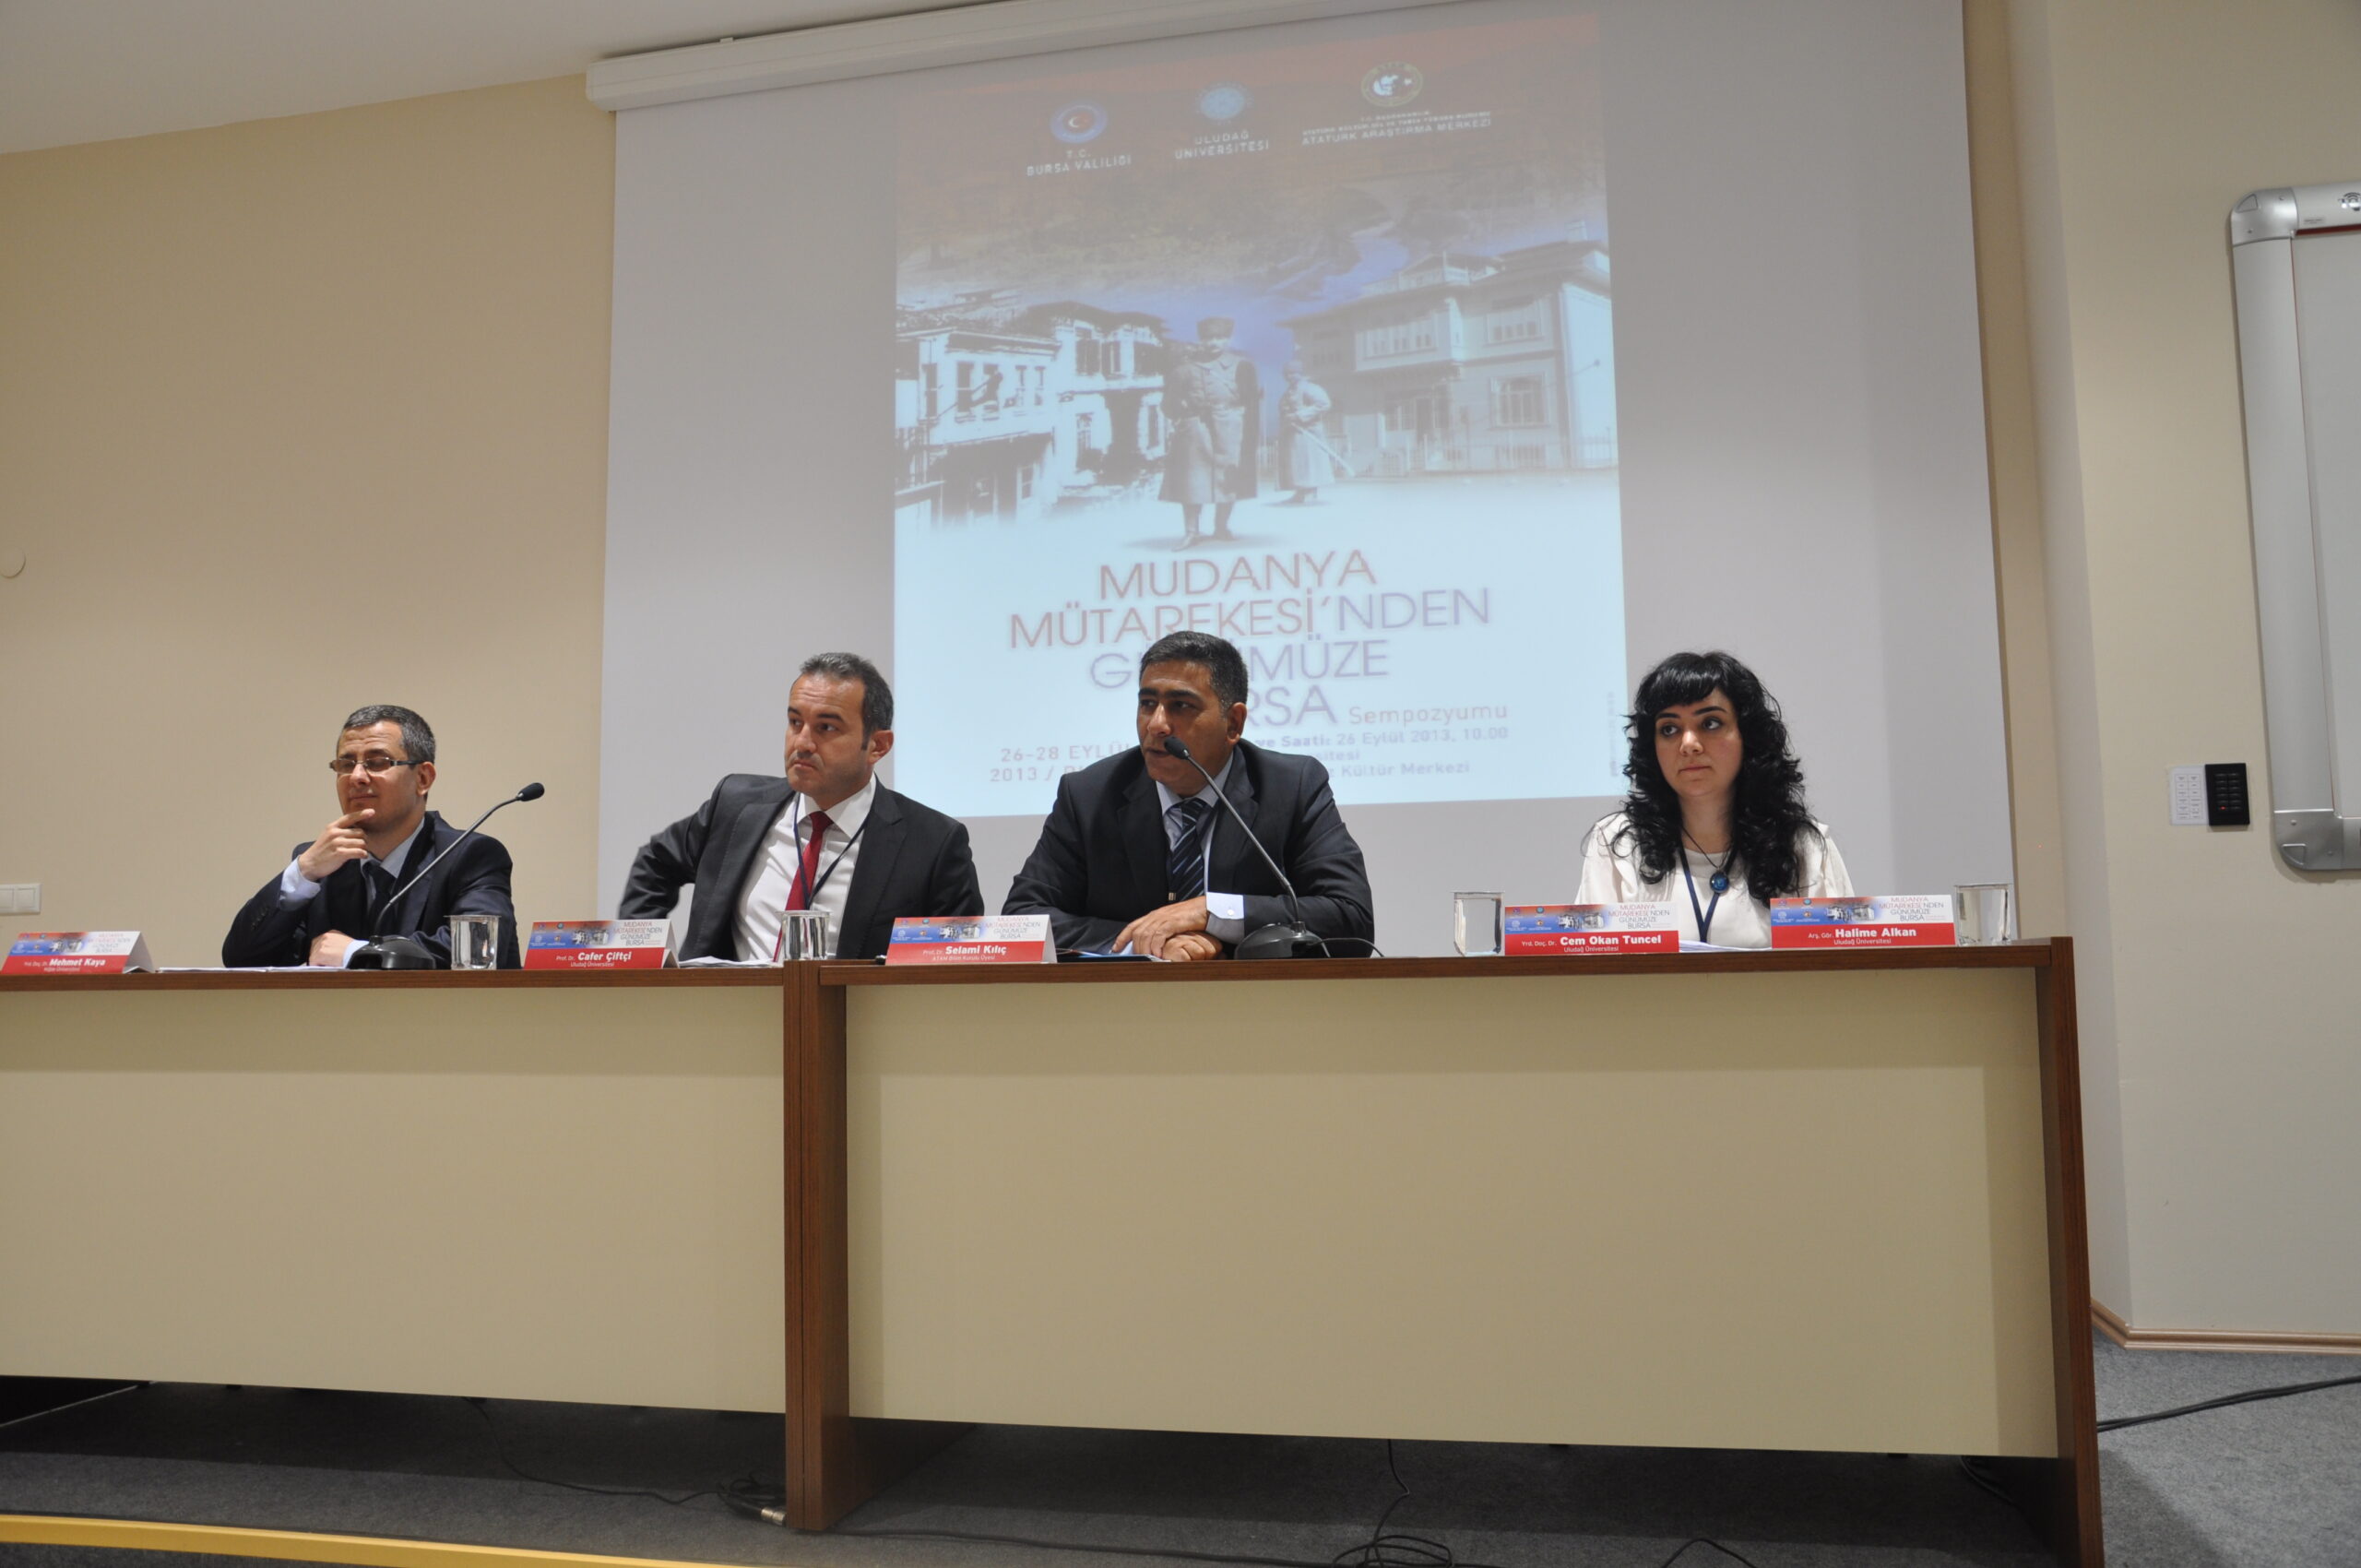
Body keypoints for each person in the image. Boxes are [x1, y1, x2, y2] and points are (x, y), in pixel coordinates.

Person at [1004, 631, 1374, 958]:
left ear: (1233, 723)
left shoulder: (1290, 787)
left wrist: (1211, 912)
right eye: (1147, 703)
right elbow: (1023, 920)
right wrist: (1146, 942)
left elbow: (1350, 917)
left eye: (1180, 706)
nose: (1157, 724)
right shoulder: (1090, 794)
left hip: (1256, 1003)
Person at [620, 652, 982, 961]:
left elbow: (954, 965)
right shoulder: (736, 806)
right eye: (795, 722)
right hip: (727, 1015)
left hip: (852, 1019)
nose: (802, 743)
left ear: (878, 746)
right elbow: (656, 862)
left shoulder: (932, 843)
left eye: (826, 728)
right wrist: (645, 962)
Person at [1575, 650, 1852, 948]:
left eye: (1710, 723)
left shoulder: (1804, 847)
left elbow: (1844, 966)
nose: (1688, 744)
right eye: (1669, 729)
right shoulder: (1618, 846)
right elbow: (1591, 966)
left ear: (1747, 736)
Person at [223, 705, 520, 968]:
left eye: (377, 763)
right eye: (346, 764)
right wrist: (303, 872)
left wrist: (356, 952)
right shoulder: (323, 864)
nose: (357, 777)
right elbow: (243, 959)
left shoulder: (470, 856)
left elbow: (477, 952)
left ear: (423, 778)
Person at [1159, 316, 1261, 548]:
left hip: (1231, 428)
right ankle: (1191, 532)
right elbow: (1168, 406)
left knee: (1228, 480)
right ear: (1200, 340)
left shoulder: (1242, 366)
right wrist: (1184, 409)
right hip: (1195, 431)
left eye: (1219, 337)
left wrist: (1250, 438)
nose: (1213, 342)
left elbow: (1252, 404)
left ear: (1228, 339)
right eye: (1208, 338)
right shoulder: (1184, 370)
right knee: (1192, 481)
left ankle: (1221, 527)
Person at [1275, 361, 1334, 504]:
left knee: (1309, 463)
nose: (1289, 376)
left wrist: (1299, 415)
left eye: (1292, 373)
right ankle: (1300, 492)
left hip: (1309, 433)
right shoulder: (1288, 392)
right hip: (1293, 433)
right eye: (1286, 374)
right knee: (1297, 464)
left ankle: (1311, 492)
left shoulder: (1310, 388)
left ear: (1300, 373)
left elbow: (1324, 404)